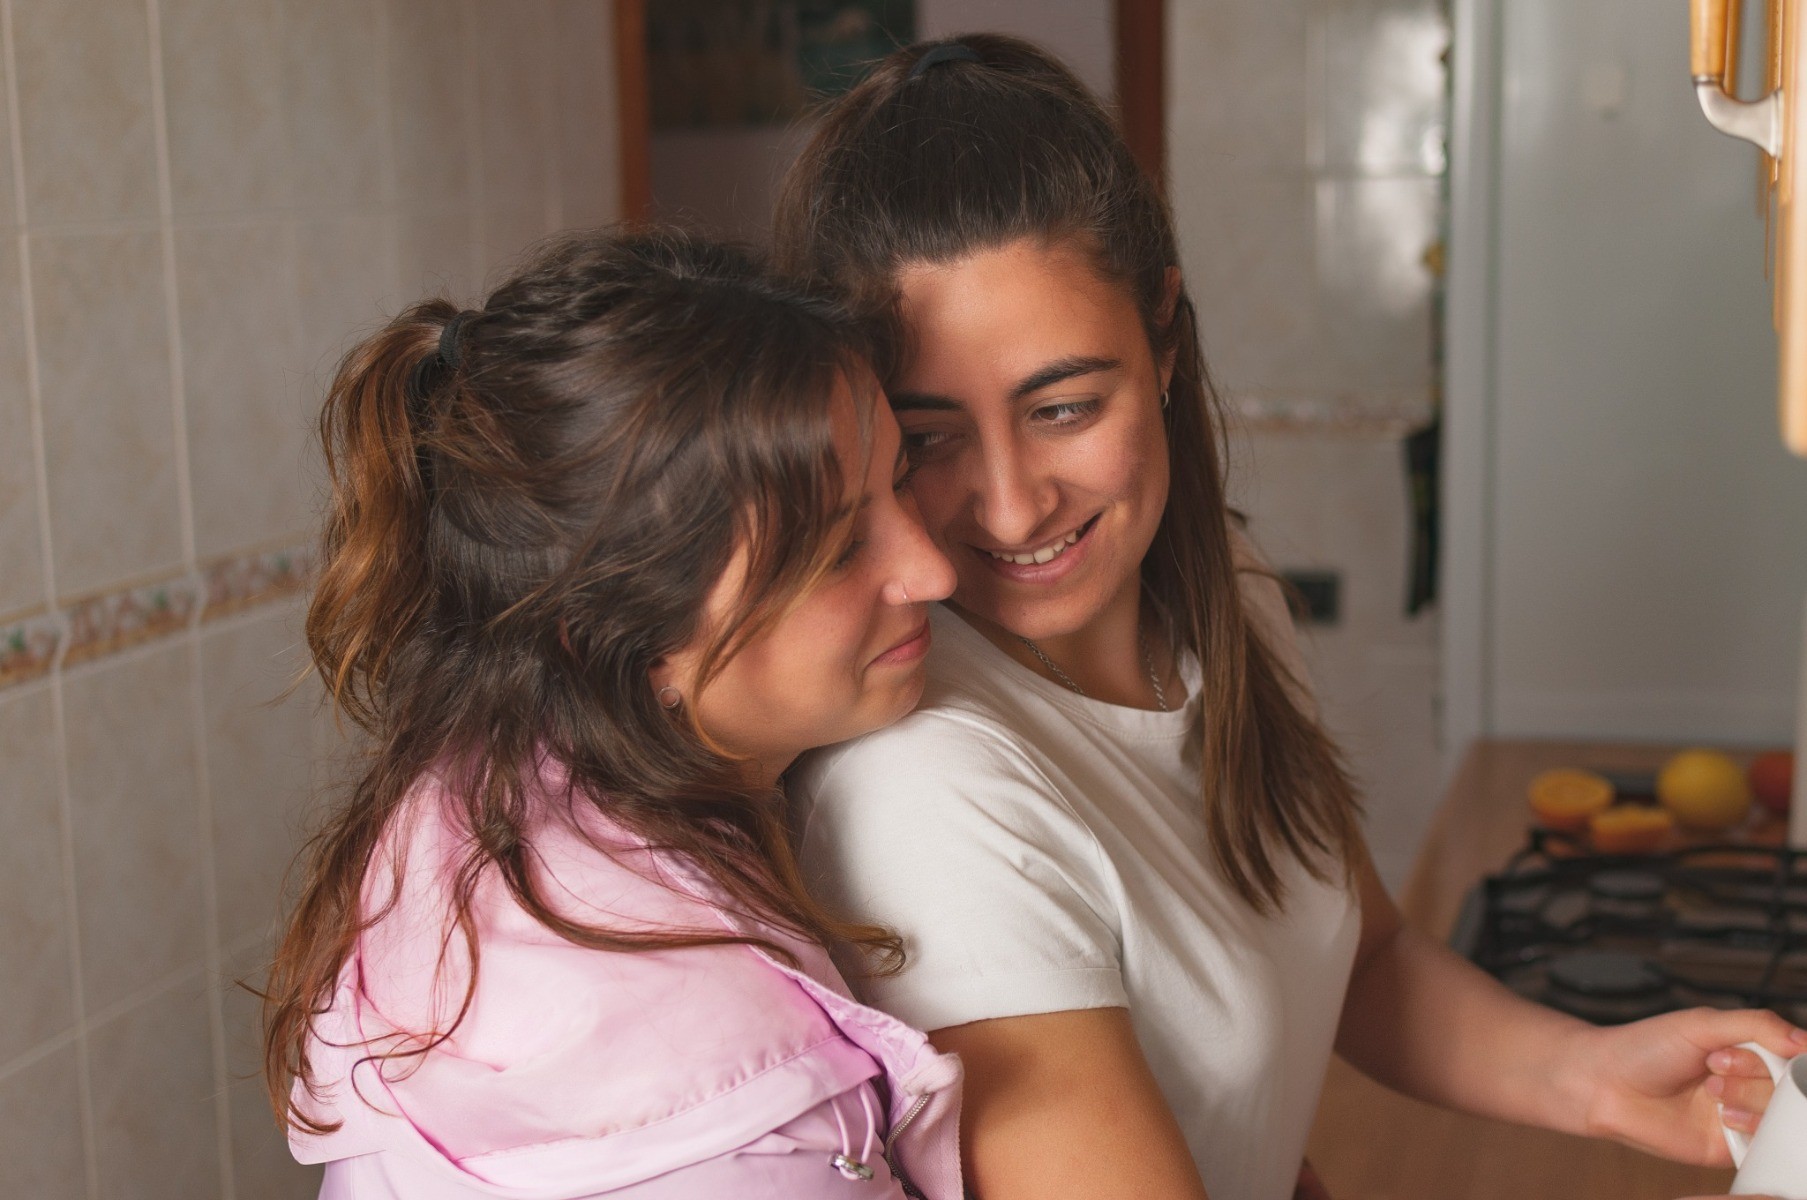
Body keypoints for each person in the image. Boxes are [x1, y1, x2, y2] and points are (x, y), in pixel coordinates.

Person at [775, 35, 1806, 1200]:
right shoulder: (925, 793)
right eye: (927, 439)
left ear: (1162, 334)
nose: (1011, 506)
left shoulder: (1223, 597)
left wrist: (1589, 1077)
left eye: (1062, 406)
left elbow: (1356, 954)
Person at [261, 229, 965, 1199]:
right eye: (839, 550)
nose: (933, 568)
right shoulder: (716, 1123)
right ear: (625, 641)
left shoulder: (490, 797)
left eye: (900, 479)